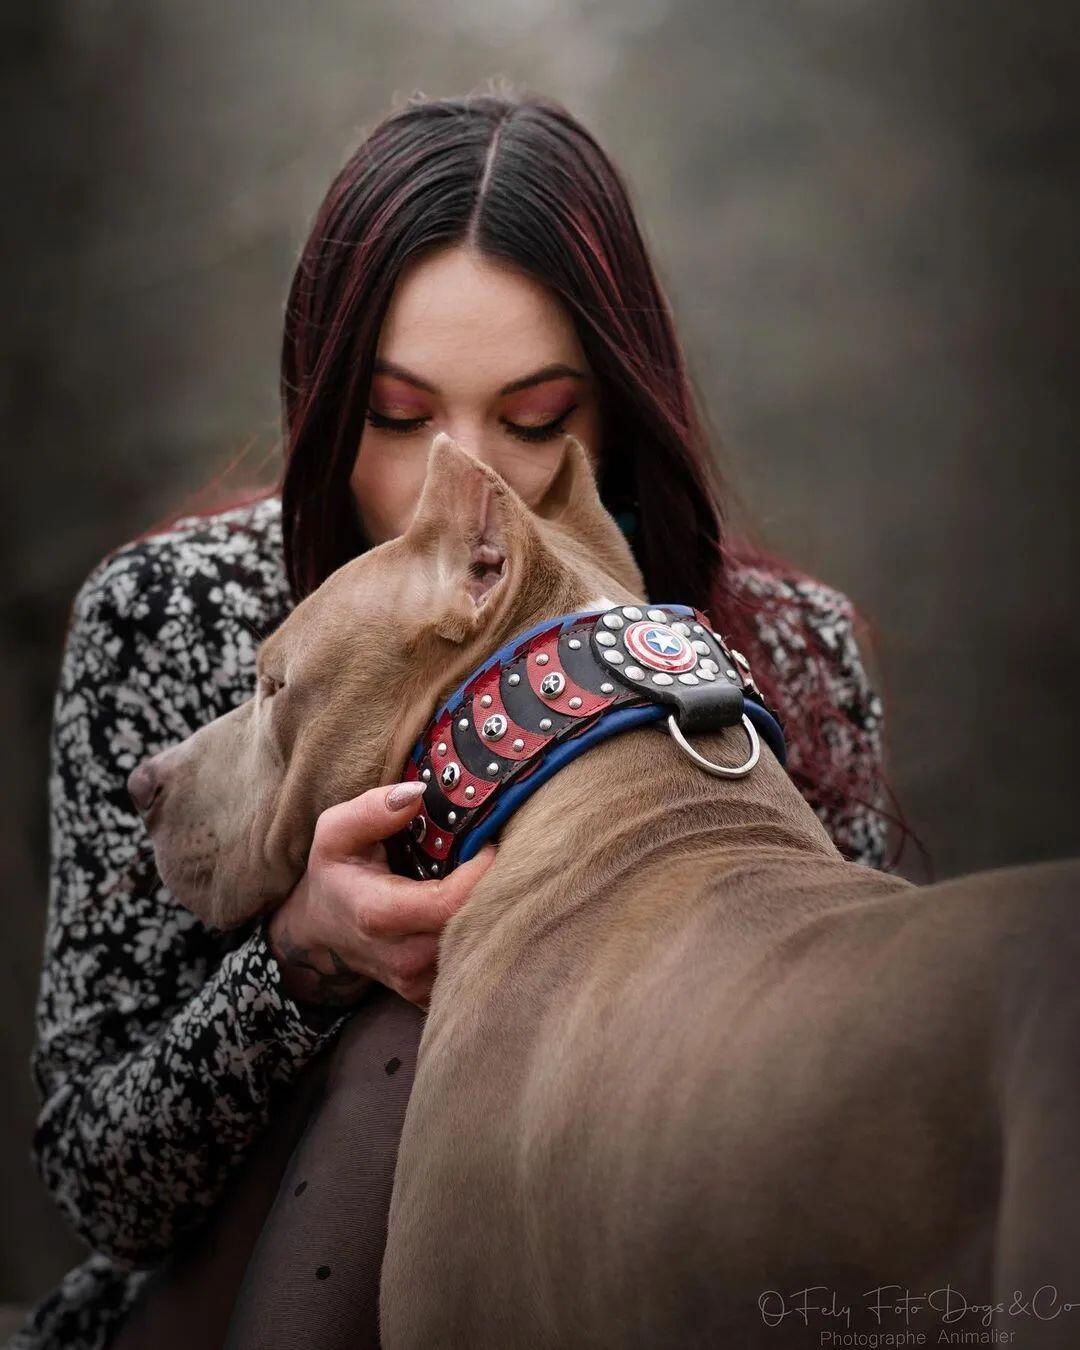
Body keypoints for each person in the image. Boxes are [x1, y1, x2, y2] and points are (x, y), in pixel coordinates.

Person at [15, 87, 889, 1349]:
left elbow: (840, 1115)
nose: (463, 485)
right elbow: (102, 1187)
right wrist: (300, 963)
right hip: (217, 1290)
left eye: (534, 420)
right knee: (415, 1039)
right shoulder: (176, 613)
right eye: (398, 415)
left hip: (651, 1285)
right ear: (324, 400)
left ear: (614, 408)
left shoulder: (784, 650)